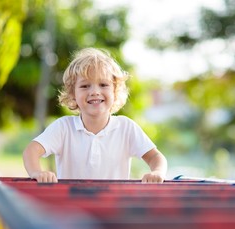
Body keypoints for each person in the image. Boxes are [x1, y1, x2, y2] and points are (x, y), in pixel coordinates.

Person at [23, 47, 167, 183]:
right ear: (73, 94)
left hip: (113, 207)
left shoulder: (126, 128)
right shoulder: (63, 127)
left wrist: (157, 172)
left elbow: (155, 157)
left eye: (103, 85)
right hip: (71, 207)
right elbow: (31, 151)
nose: (94, 92)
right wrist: (37, 172)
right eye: (85, 86)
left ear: (115, 90)